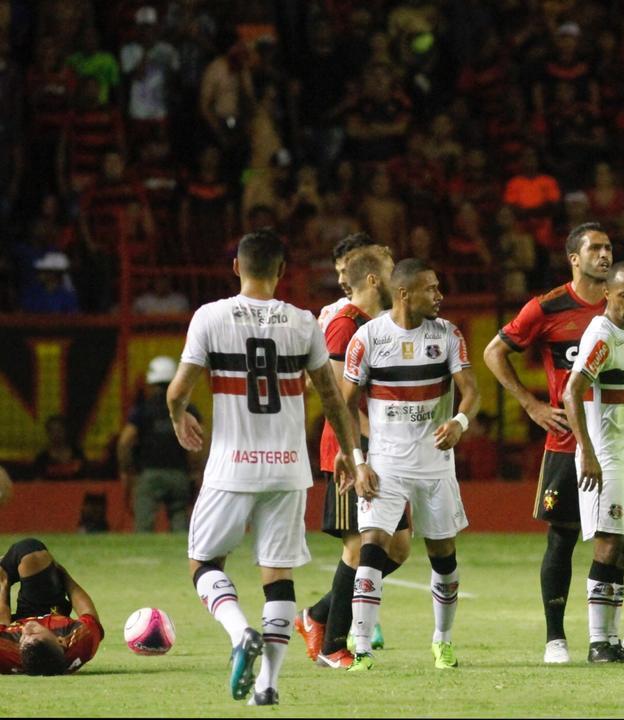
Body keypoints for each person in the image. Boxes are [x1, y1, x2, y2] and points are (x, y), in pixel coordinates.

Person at [482, 223, 624, 664]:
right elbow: (493, 352)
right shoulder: (549, 307)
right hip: (574, 439)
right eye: (595, 248)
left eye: (609, 246)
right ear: (574, 258)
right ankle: (557, 638)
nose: (604, 254)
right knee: (564, 537)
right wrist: (530, 405)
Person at [167, 229, 369, 705]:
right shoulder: (303, 323)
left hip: (231, 468)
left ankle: (240, 633)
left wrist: (180, 417)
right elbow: (332, 397)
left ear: (236, 267)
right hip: (288, 469)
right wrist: (352, 453)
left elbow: (178, 391)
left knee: (204, 562)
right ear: (281, 271)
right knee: (278, 574)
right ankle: (269, 686)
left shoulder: (210, 317)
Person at [342, 258, 480, 672]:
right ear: (404, 294)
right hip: (385, 465)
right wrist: (358, 460)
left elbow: (471, 391)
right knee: (372, 546)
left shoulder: (448, 335)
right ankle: (361, 647)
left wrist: (459, 421)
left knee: (443, 555)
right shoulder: (368, 338)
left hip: (435, 465)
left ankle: (443, 641)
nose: (440, 296)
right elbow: (344, 405)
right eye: (431, 289)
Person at [295, 245, 411, 670]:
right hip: (350, 452)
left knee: (397, 548)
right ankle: (333, 647)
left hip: (382, 452)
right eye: (391, 269)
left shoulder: (375, 325)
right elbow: (337, 401)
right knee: (358, 546)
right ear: (376, 280)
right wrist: (362, 449)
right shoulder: (344, 326)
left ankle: (317, 614)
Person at [562, 261, 624, 663]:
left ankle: (613, 640)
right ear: (607, 296)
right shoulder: (601, 334)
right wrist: (589, 454)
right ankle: (598, 641)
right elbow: (571, 392)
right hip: (609, 460)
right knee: (608, 544)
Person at [117, 356, 204, 532]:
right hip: (179, 474)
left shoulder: (142, 408)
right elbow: (202, 439)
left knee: (144, 526)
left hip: (149, 475)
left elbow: (125, 441)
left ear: (150, 382)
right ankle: (181, 558)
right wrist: (196, 469)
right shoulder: (188, 408)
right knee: (180, 525)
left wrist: (127, 469)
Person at [0, 538, 103, 675]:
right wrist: (64, 575)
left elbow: (3, 624)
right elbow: (87, 611)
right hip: (51, 610)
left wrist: (3, 587)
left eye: (23, 638)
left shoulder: (6, 655)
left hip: (10, 624)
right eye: (34, 633)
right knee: (33, 554)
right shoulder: (81, 641)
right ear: (61, 641)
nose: (28, 627)